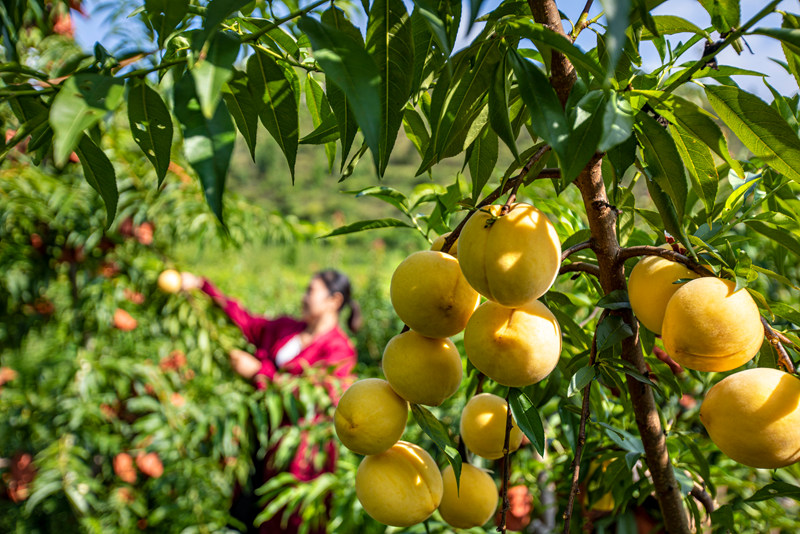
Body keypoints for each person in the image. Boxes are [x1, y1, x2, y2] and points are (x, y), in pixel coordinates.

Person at [180, 269, 361, 534]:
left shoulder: (339, 350)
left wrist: (258, 373)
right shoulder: (288, 328)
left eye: (311, 291)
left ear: (334, 301)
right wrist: (203, 287)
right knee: (245, 513)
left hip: (297, 454)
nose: (304, 297)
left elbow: (315, 397)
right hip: (261, 438)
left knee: (285, 520)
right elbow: (246, 322)